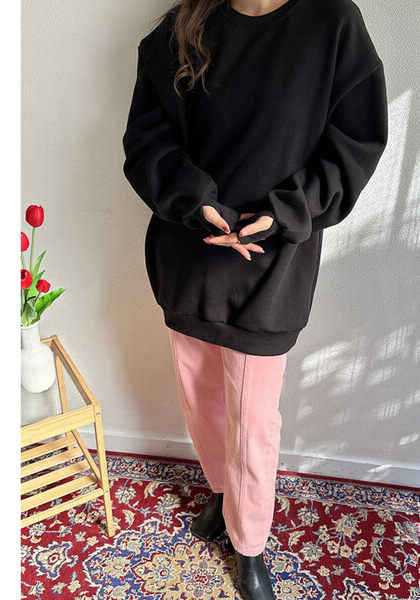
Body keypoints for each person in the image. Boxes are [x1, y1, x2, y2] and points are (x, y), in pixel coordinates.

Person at [121, 0, 388, 597]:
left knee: (254, 420)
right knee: (200, 397)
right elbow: (146, 138)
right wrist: (196, 202)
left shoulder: (331, 23)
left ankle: (249, 544)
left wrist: (287, 212)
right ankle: (224, 494)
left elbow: (355, 142)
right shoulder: (183, 25)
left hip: (274, 263)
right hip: (190, 251)